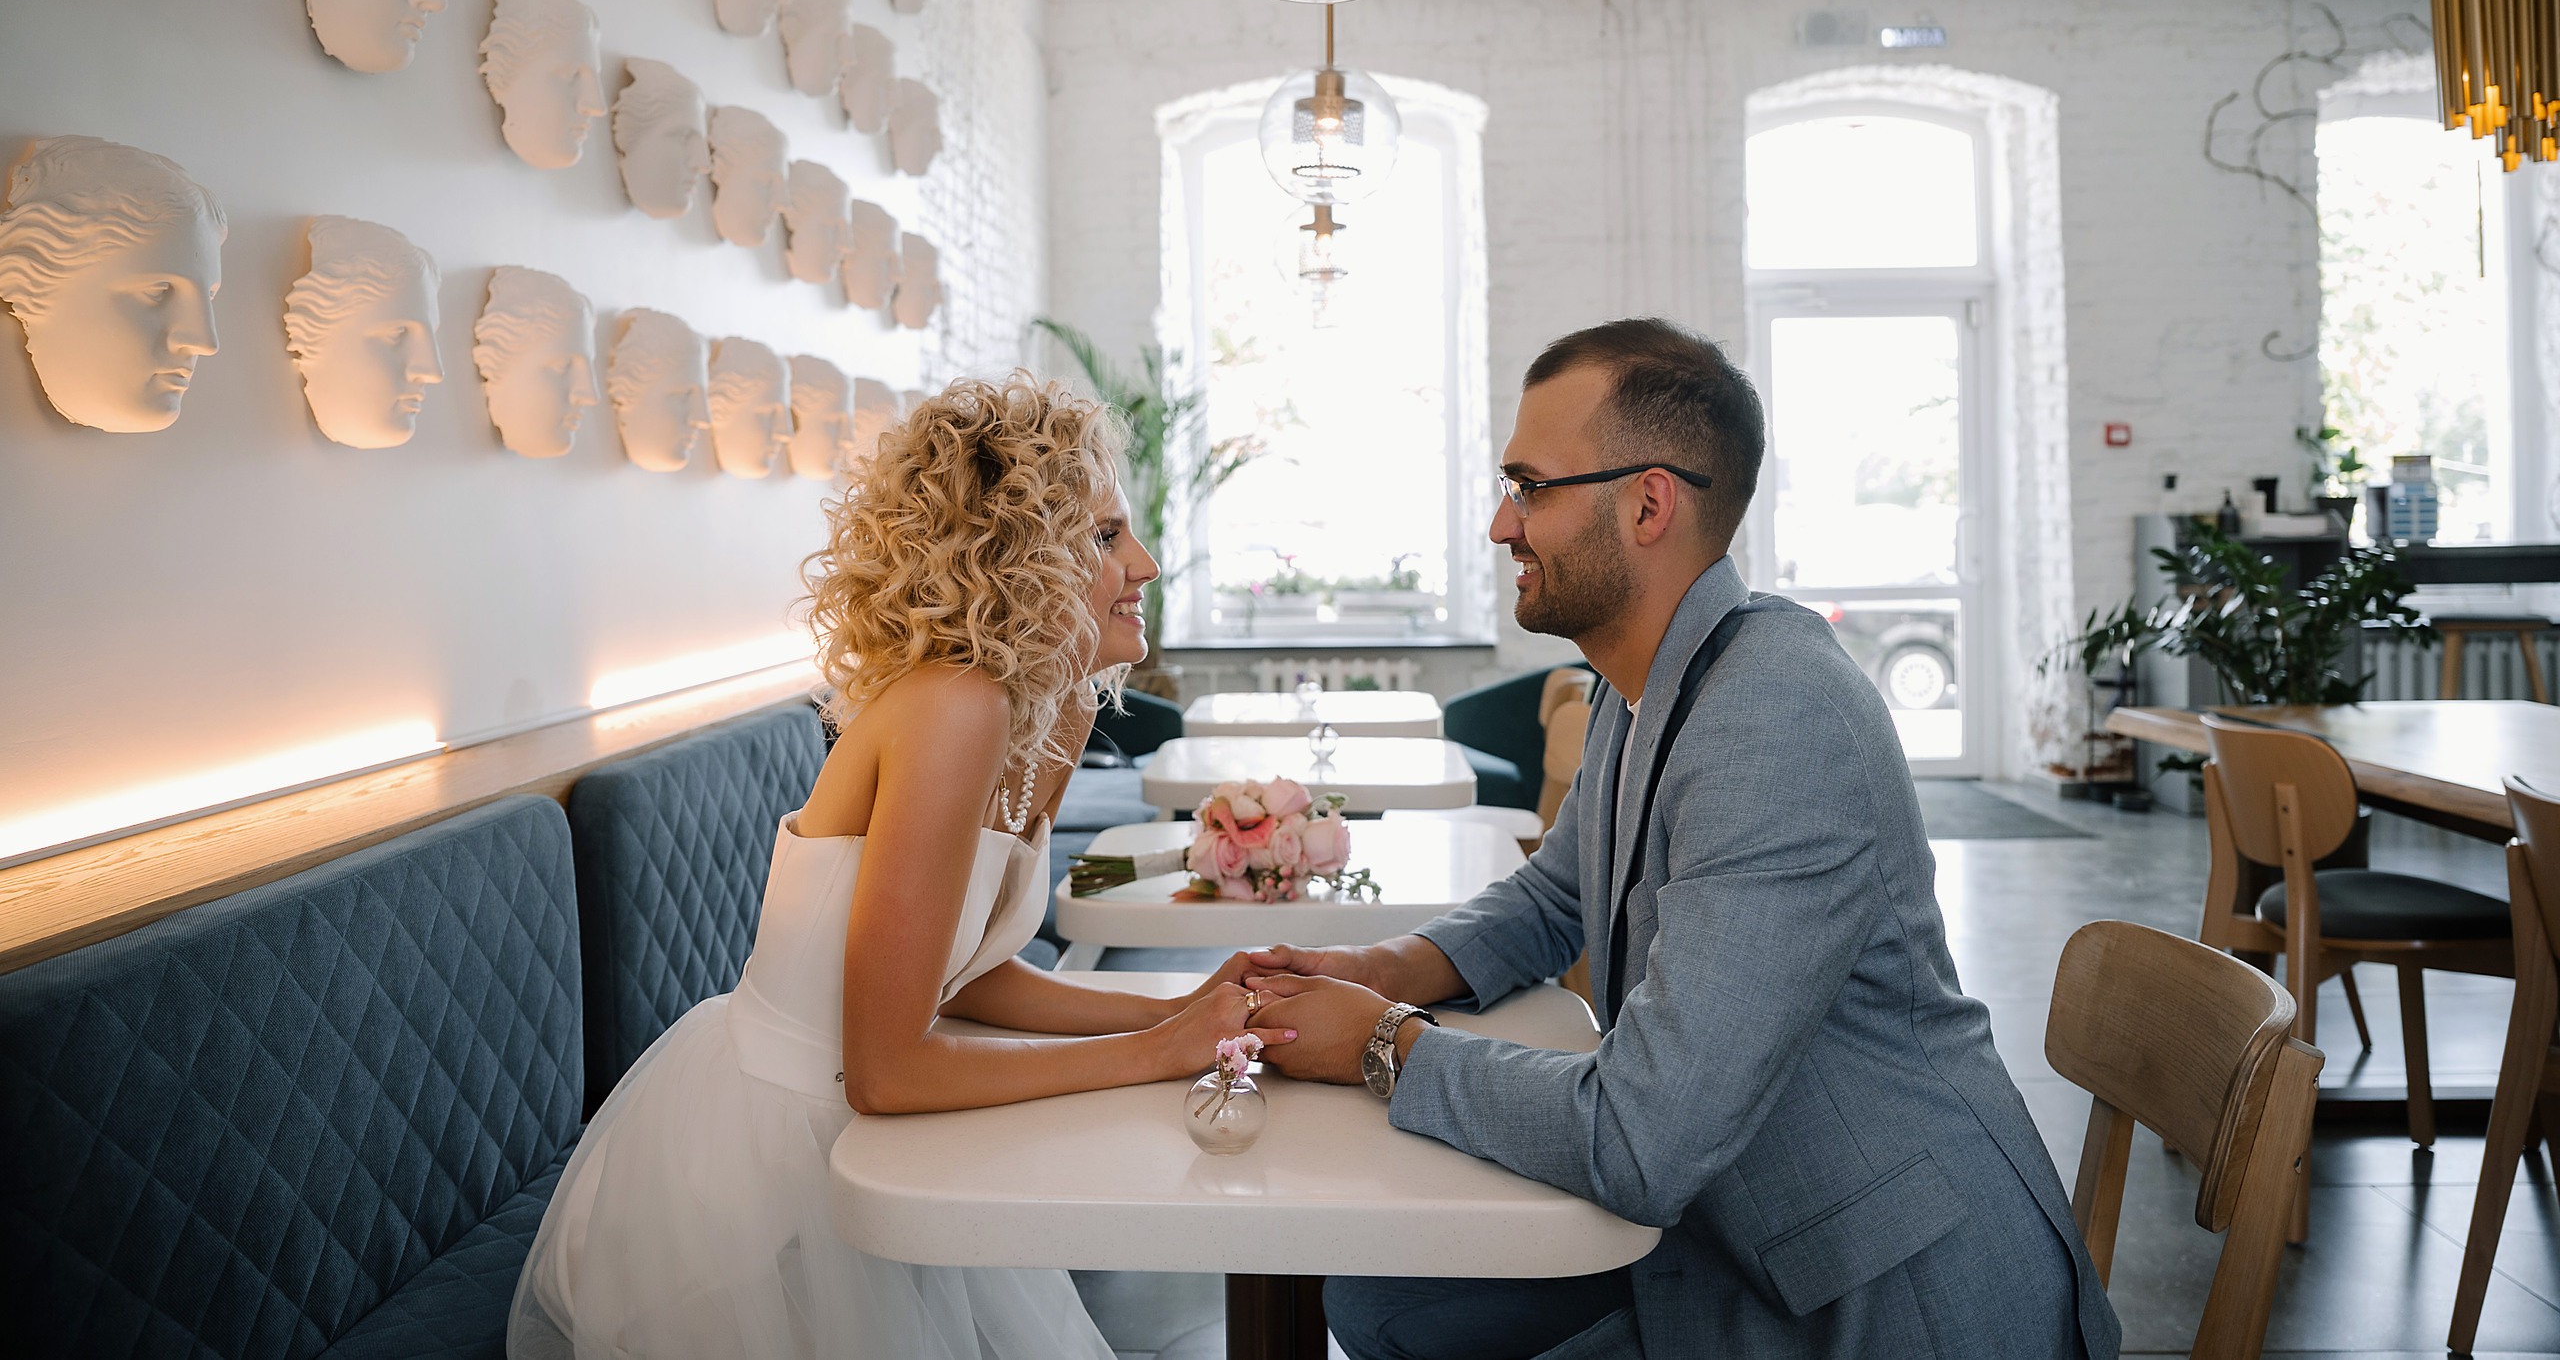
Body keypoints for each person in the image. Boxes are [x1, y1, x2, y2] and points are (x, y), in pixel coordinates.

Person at [1244, 319, 2120, 1360]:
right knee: (1382, 1301)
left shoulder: (1775, 713)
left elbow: (1641, 1137)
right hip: (1729, 1216)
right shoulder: (1650, 673)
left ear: (1647, 502)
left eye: (1529, 487)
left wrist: (1386, 1042)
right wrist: (1376, 967)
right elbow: (1558, 892)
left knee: (1390, 1301)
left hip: (1876, 1293)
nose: (1497, 523)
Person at [510, 374, 1257, 1360]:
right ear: (1014, 556)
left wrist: (1174, 1006)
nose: (1146, 562)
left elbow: (973, 974)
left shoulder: (1044, 705)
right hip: (773, 1167)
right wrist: (1155, 1052)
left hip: (875, 1130)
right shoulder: (954, 705)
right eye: (1104, 536)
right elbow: (887, 1068)